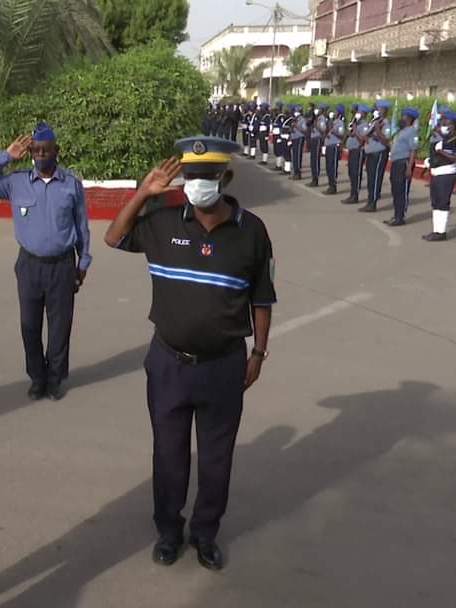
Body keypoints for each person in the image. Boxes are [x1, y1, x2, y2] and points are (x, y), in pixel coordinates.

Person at [103, 136, 276, 572]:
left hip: (223, 366)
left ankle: (205, 534)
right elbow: (112, 237)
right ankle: (167, 530)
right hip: (168, 363)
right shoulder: (162, 222)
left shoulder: (251, 231)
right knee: (169, 454)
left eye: (208, 175)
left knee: (217, 459)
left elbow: (262, 297)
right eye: (191, 175)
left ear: (225, 177)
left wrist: (259, 353)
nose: (198, 183)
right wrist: (144, 192)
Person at [0, 121, 91, 401]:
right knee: (29, 326)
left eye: (45, 150)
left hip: (62, 265)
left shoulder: (71, 185)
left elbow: (82, 226)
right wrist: (6, 156)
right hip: (29, 265)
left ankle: (55, 380)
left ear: (56, 151)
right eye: (36, 150)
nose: (40, 155)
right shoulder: (16, 183)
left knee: (60, 327)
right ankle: (37, 378)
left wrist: (83, 262)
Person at [422, 110, 456, 241]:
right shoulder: (443, 140)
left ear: (453, 126)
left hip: (446, 174)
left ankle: (441, 232)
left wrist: (441, 152)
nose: (443, 126)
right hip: (436, 173)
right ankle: (436, 230)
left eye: (446, 124)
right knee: (435, 202)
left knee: (442, 202)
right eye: (443, 123)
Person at [384, 108, 420, 226]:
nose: (401, 118)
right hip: (396, 163)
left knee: (402, 191)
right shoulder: (402, 131)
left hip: (403, 163)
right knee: (395, 190)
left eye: (404, 116)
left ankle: (400, 217)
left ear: (409, 119)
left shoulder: (412, 132)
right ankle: (396, 215)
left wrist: (409, 168)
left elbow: (413, 150)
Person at [360, 100, 393, 213]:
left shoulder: (386, 123)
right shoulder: (374, 121)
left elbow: (385, 141)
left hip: (379, 154)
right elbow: (365, 135)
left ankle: (372, 203)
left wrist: (378, 129)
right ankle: (370, 201)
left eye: (378, 109)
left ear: (384, 110)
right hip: (370, 153)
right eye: (375, 108)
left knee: (376, 178)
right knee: (370, 178)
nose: (375, 110)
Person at [343, 104, 369, 205]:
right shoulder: (356, 124)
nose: (357, 114)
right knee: (351, 173)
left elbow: (362, 140)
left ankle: (355, 195)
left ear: (363, 114)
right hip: (352, 150)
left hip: (358, 151)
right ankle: (352, 193)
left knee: (356, 173)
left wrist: (355, 130)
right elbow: (350, 133)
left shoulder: (364, 125)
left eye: (359, 112)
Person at [324, 104, 347, 195]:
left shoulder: (340, 123)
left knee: (333, 167)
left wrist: (334, 132)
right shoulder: (334, 122)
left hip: (334, 146)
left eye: (336, 111)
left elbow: (341, 135)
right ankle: (330, 185)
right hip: (329, 146)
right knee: (328, 167)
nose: (334, 112)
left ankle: (333, 187)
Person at [309, 102, 327, 187]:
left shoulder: (322, 119)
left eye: (319, 109)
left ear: (322, 110)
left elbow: (323, 131)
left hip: (317, 140)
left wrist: (316, 126)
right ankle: (313, 178)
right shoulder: (318, 118)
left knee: (315, 159)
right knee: (312, 159)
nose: (317, 110)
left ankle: (315, 179)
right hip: (313, 139)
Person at [289, 104, 307, 180]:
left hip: (299, 138)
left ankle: (298, 173)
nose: (295, 112)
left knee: (298, 155)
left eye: (297, 111)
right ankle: (295, 172)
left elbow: (304, 130)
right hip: (294, 137)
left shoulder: (302, 120)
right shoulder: (295, 119)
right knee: (294, 156)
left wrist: (296, 126)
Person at [271, 102, 287, 172]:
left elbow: (281, 127)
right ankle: (277, 165)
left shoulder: (281, 116)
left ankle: (279, 165)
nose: (276, 109)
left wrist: (280, 137)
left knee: (279, 150)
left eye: (277, 108)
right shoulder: (276, 116)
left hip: (278, 135)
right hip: (275, 134)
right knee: (276, 150)